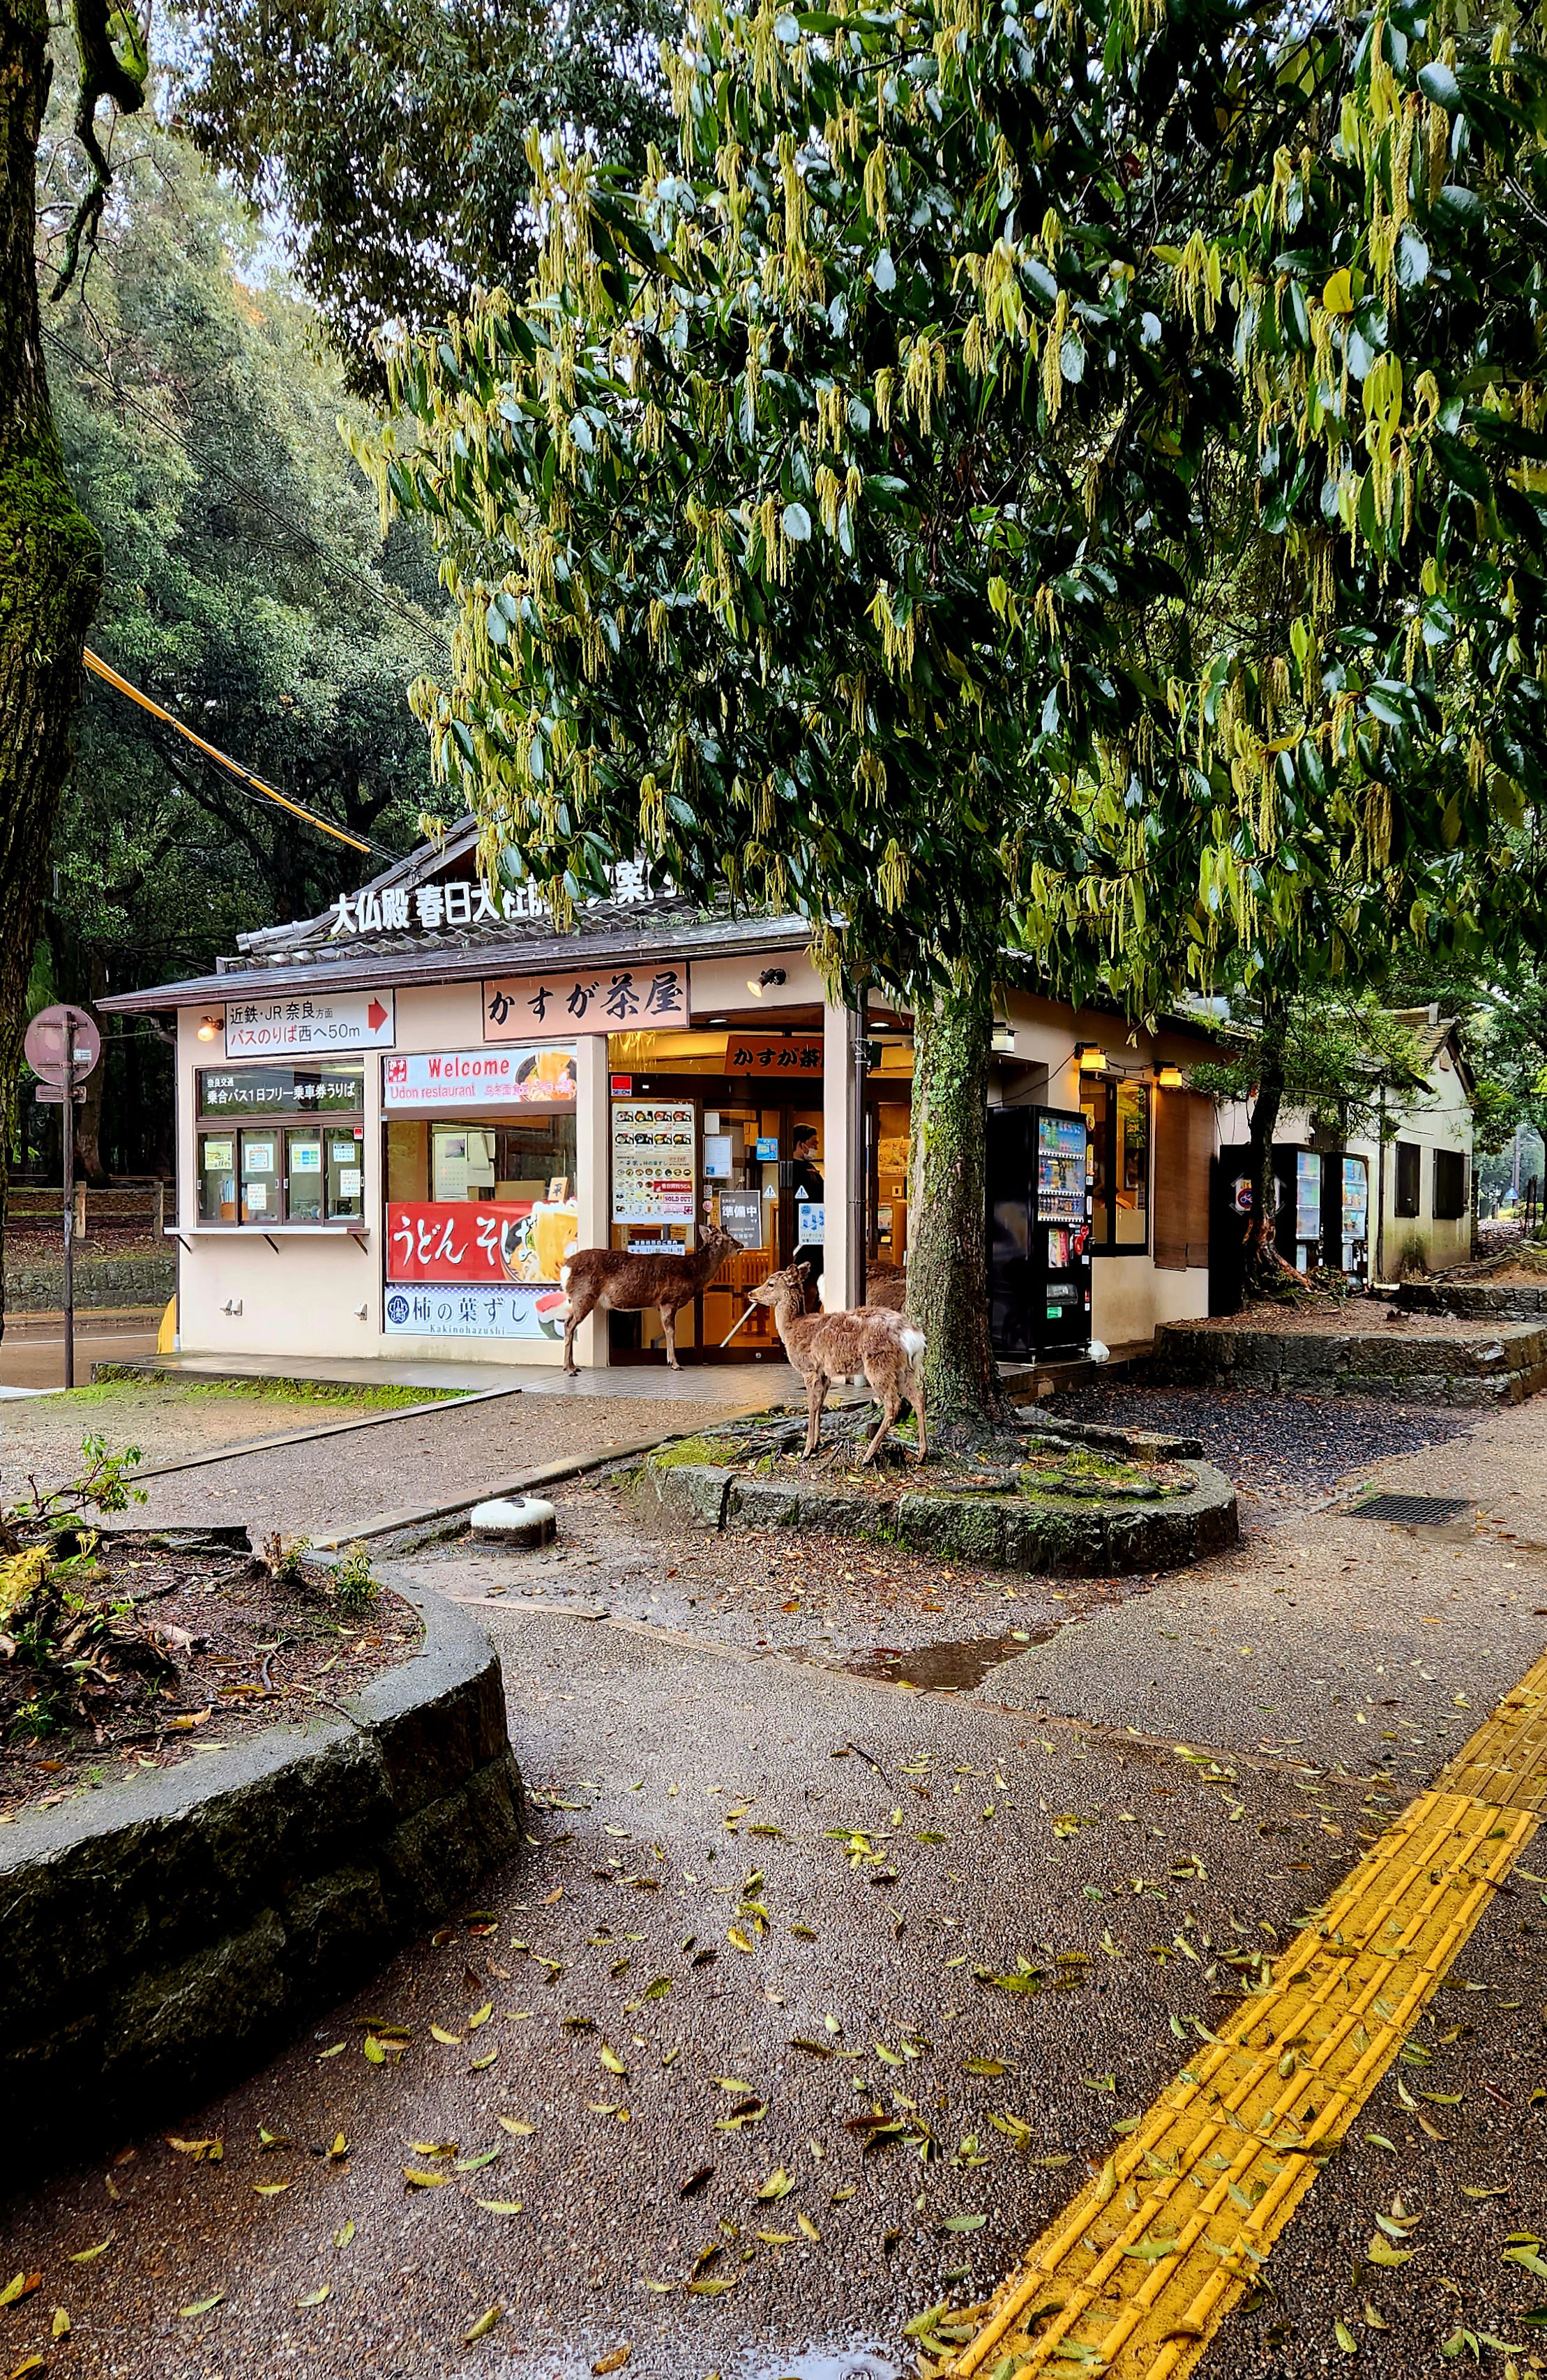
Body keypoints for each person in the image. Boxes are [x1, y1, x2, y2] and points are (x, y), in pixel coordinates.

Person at [791, 1126, 824, 1306]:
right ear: (801, 1144)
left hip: (816, 1236)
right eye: (813, 1143)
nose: (816, 1147)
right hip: (802, 1241)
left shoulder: (811, 1169)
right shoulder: (792, 1172)